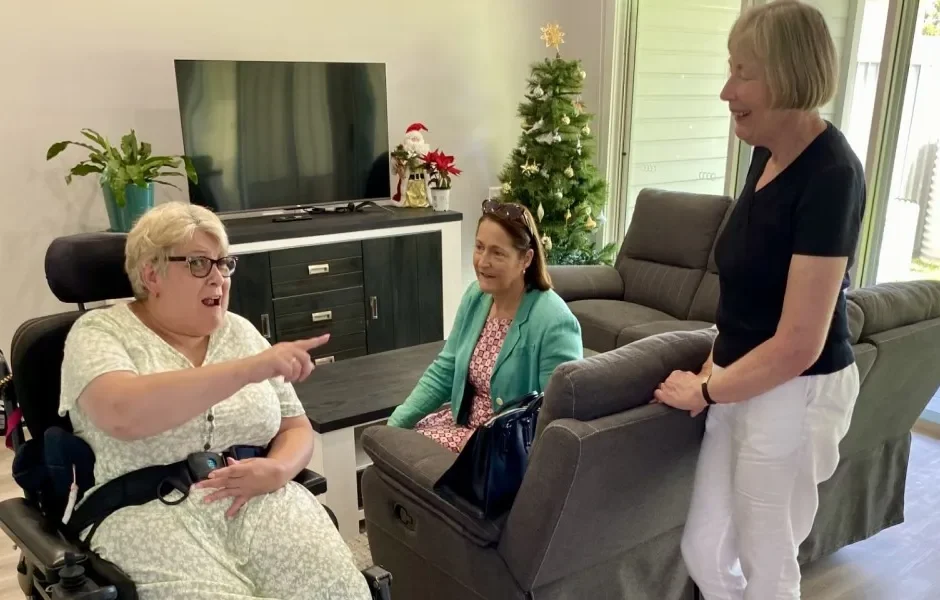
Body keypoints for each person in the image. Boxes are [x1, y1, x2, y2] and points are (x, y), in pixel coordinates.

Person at [653, 2, 865, 599]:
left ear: (790, 73)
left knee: (768, 566)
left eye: (743, 72)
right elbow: (750, 291)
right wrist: (717, 365)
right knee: (702, 548)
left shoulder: (832, 176)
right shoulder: (765, 155)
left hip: (796, 393)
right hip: (744, 378)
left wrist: (708, 389)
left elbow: (800, 343)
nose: (727, 90)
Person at [58, 202, 371, 600]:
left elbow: (295, 426)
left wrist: (278, 469)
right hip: (148, 515)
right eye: (199, 264)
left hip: (260, 500)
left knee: (341, 591)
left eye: (224, 263)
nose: (219, 278)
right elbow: (122, 413)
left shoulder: (239, 332)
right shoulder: (99, 332)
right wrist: (247, 370)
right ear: (151, 273)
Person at [387, 199, 583, 451]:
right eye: (479, 247)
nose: (482, 262)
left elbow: (555, 415)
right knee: (390, 451)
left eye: (497, 253)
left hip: (504, 450)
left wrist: (489, 446)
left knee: (404, 459)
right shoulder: (476, 296)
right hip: (461, 426)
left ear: (526, 259)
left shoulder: (555, 321)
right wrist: (395, 424)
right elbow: (444, 371)